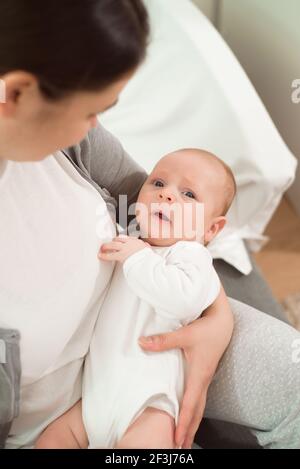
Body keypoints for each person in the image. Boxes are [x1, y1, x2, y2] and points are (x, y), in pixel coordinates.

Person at [0, 0, 299, 450]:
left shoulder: (71, 148)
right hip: (67, 410)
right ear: (18, 93)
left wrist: (215, 316)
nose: (96, 126)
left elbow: (161, 213)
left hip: (158, 350)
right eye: (90, 111)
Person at [35, 148, 236, 449]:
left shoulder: (190, 255)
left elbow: (183, 300)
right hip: (92, 401)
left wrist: (137, 257)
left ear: (211, 228)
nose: (167, 195)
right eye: (158, 183)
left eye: (189, 194)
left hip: (150, 406)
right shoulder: (128, 239)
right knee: (51, 440)